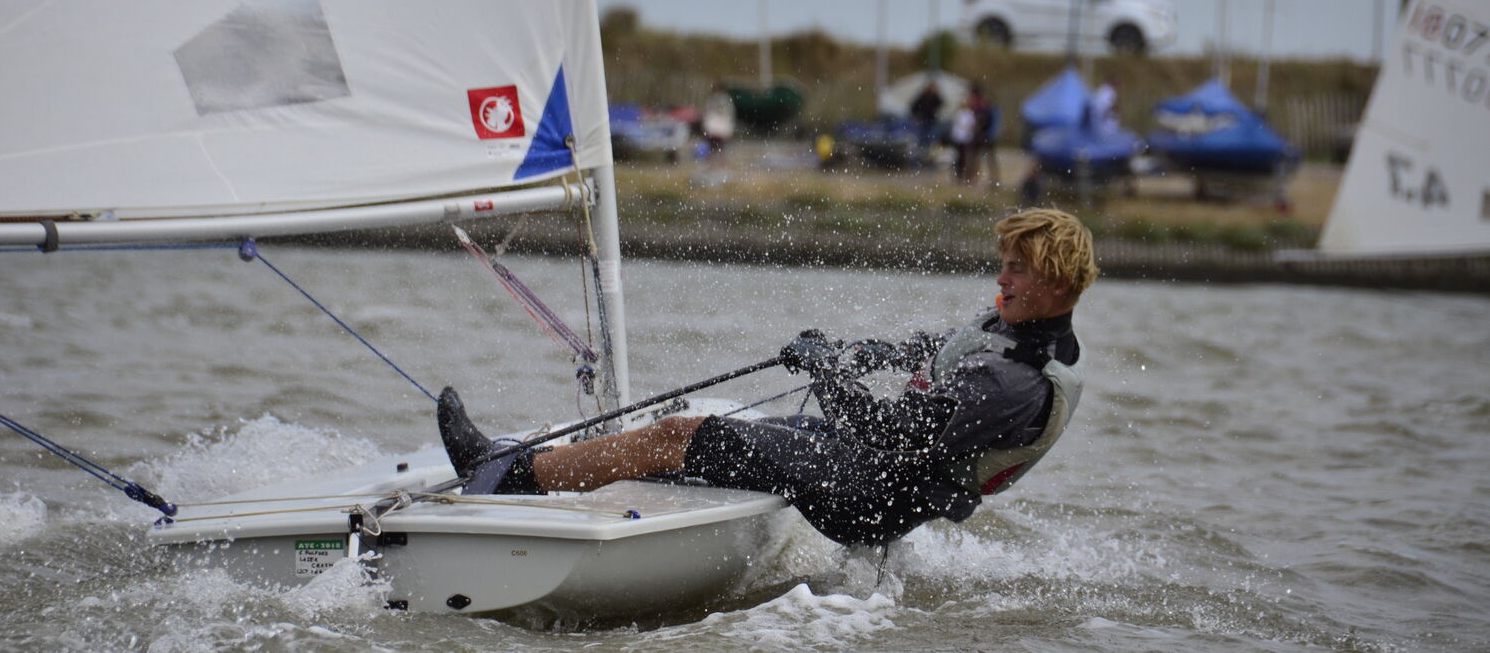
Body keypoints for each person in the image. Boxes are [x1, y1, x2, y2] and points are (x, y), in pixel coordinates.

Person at [438, 208, 1098, 546]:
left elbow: (891, 435)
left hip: (869, 499)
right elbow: (934, 350)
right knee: (741, 433)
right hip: (872, 474)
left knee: (682, 432)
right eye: (1004, 262)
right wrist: (859, 353)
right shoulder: (1011, 329)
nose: (1000, 278)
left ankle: (498, 472)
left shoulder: (1014, 385)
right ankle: (578, 485)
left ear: (1059, 284)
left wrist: (828, 376)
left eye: (1017, 269)